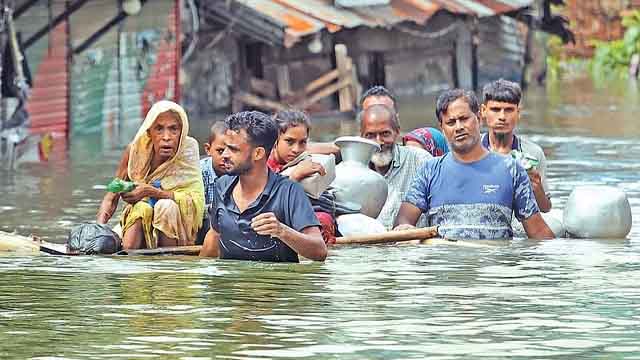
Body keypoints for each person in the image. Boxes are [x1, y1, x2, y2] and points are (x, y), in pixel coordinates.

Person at [394, 89, 554, 240]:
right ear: (442, 128)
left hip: (495, 267)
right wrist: (405, 229)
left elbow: (539, 232)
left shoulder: (511, 170)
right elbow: (403, 221)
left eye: (464, 119)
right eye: (451, 122)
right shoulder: (429, 171)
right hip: (445, 266)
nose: (459, 127)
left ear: (478, 118)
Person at [199, 111, 327, 262]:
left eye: (233, 149)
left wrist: (282, 230)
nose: (225, 155)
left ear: (258, 153)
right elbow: (214, 236)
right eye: (225, 148)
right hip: (229, 284)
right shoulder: (222, 186)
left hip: (273, 285)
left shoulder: (289, 192)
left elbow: (320, 251)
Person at [97, 100, 205, 249]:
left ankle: (168, 261)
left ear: (182, 132)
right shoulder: (134, 151)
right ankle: (128, 257)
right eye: (159, 129)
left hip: (177, 231)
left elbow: (195, 201)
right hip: (138, 225)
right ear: (149, 132)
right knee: (141, 208)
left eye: (173, 129)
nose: (166, 137)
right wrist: (98, 230)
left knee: (166, 207)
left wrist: (151, 192)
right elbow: (111, 196)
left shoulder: (188, 151)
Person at [358, 86, 432, 229]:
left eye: (385, 134)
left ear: (397, 132)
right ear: (361, 136)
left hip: (412, 247)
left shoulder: (421, 162)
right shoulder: (352, 172)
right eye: (370, 136)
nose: (379, 142)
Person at [267, 109, 337, 245]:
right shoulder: (263, 165)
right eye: (289, 141)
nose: (296, 149)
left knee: (322, 221)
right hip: (275, 219)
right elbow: (266, 202)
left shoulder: (308, 162)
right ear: (275, 140)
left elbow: (322, 202)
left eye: (302, 142)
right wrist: (295, 176)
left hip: (312, 216)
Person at [480, 79, 551, 212]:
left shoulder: (533, 153)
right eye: (495, 109)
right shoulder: (471, 150)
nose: (502, 117)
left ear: (518, 113)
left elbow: (545, 209)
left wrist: (536, 187)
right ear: (483, 111)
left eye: (509, 110)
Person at [196, 120, 228, 245]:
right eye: (220, 151)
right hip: (201, 224)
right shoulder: (199, 172)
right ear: (208, 149)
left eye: (231, 150)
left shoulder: (238, 171)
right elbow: (193, 207)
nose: (226, 156)